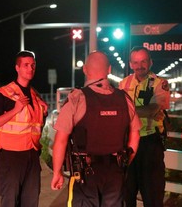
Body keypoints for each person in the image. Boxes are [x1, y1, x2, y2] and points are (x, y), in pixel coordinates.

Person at [51, 51, 141, 207]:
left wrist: (57, 172)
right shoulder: (124, 98)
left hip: (85, 174)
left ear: (85, 70)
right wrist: (124, 162)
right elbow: (135, 134)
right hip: (116, 171)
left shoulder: (76, 98)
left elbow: (61, 140)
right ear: (109, 69)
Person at [0, 50, 48, 207]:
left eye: (33, 65)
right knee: (10, 202)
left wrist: (44, 113)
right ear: (17, 68)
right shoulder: (4, 94)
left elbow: (36, 127)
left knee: (31, 201)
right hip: (11, 157)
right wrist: (15, 110)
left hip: (32, 156)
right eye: (25, 65)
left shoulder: (36, 96)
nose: (30, 68)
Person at [119, 46, 170, 207]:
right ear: (130, 64)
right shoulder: (123, 83)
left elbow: (153, 109)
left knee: (152, 195)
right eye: (135, 62)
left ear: (150, 62)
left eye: (143, 61)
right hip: (128, 144)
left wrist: (127, 110)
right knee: (127, 193)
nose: (139, 65)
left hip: (150, 143)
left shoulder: (160, 84)